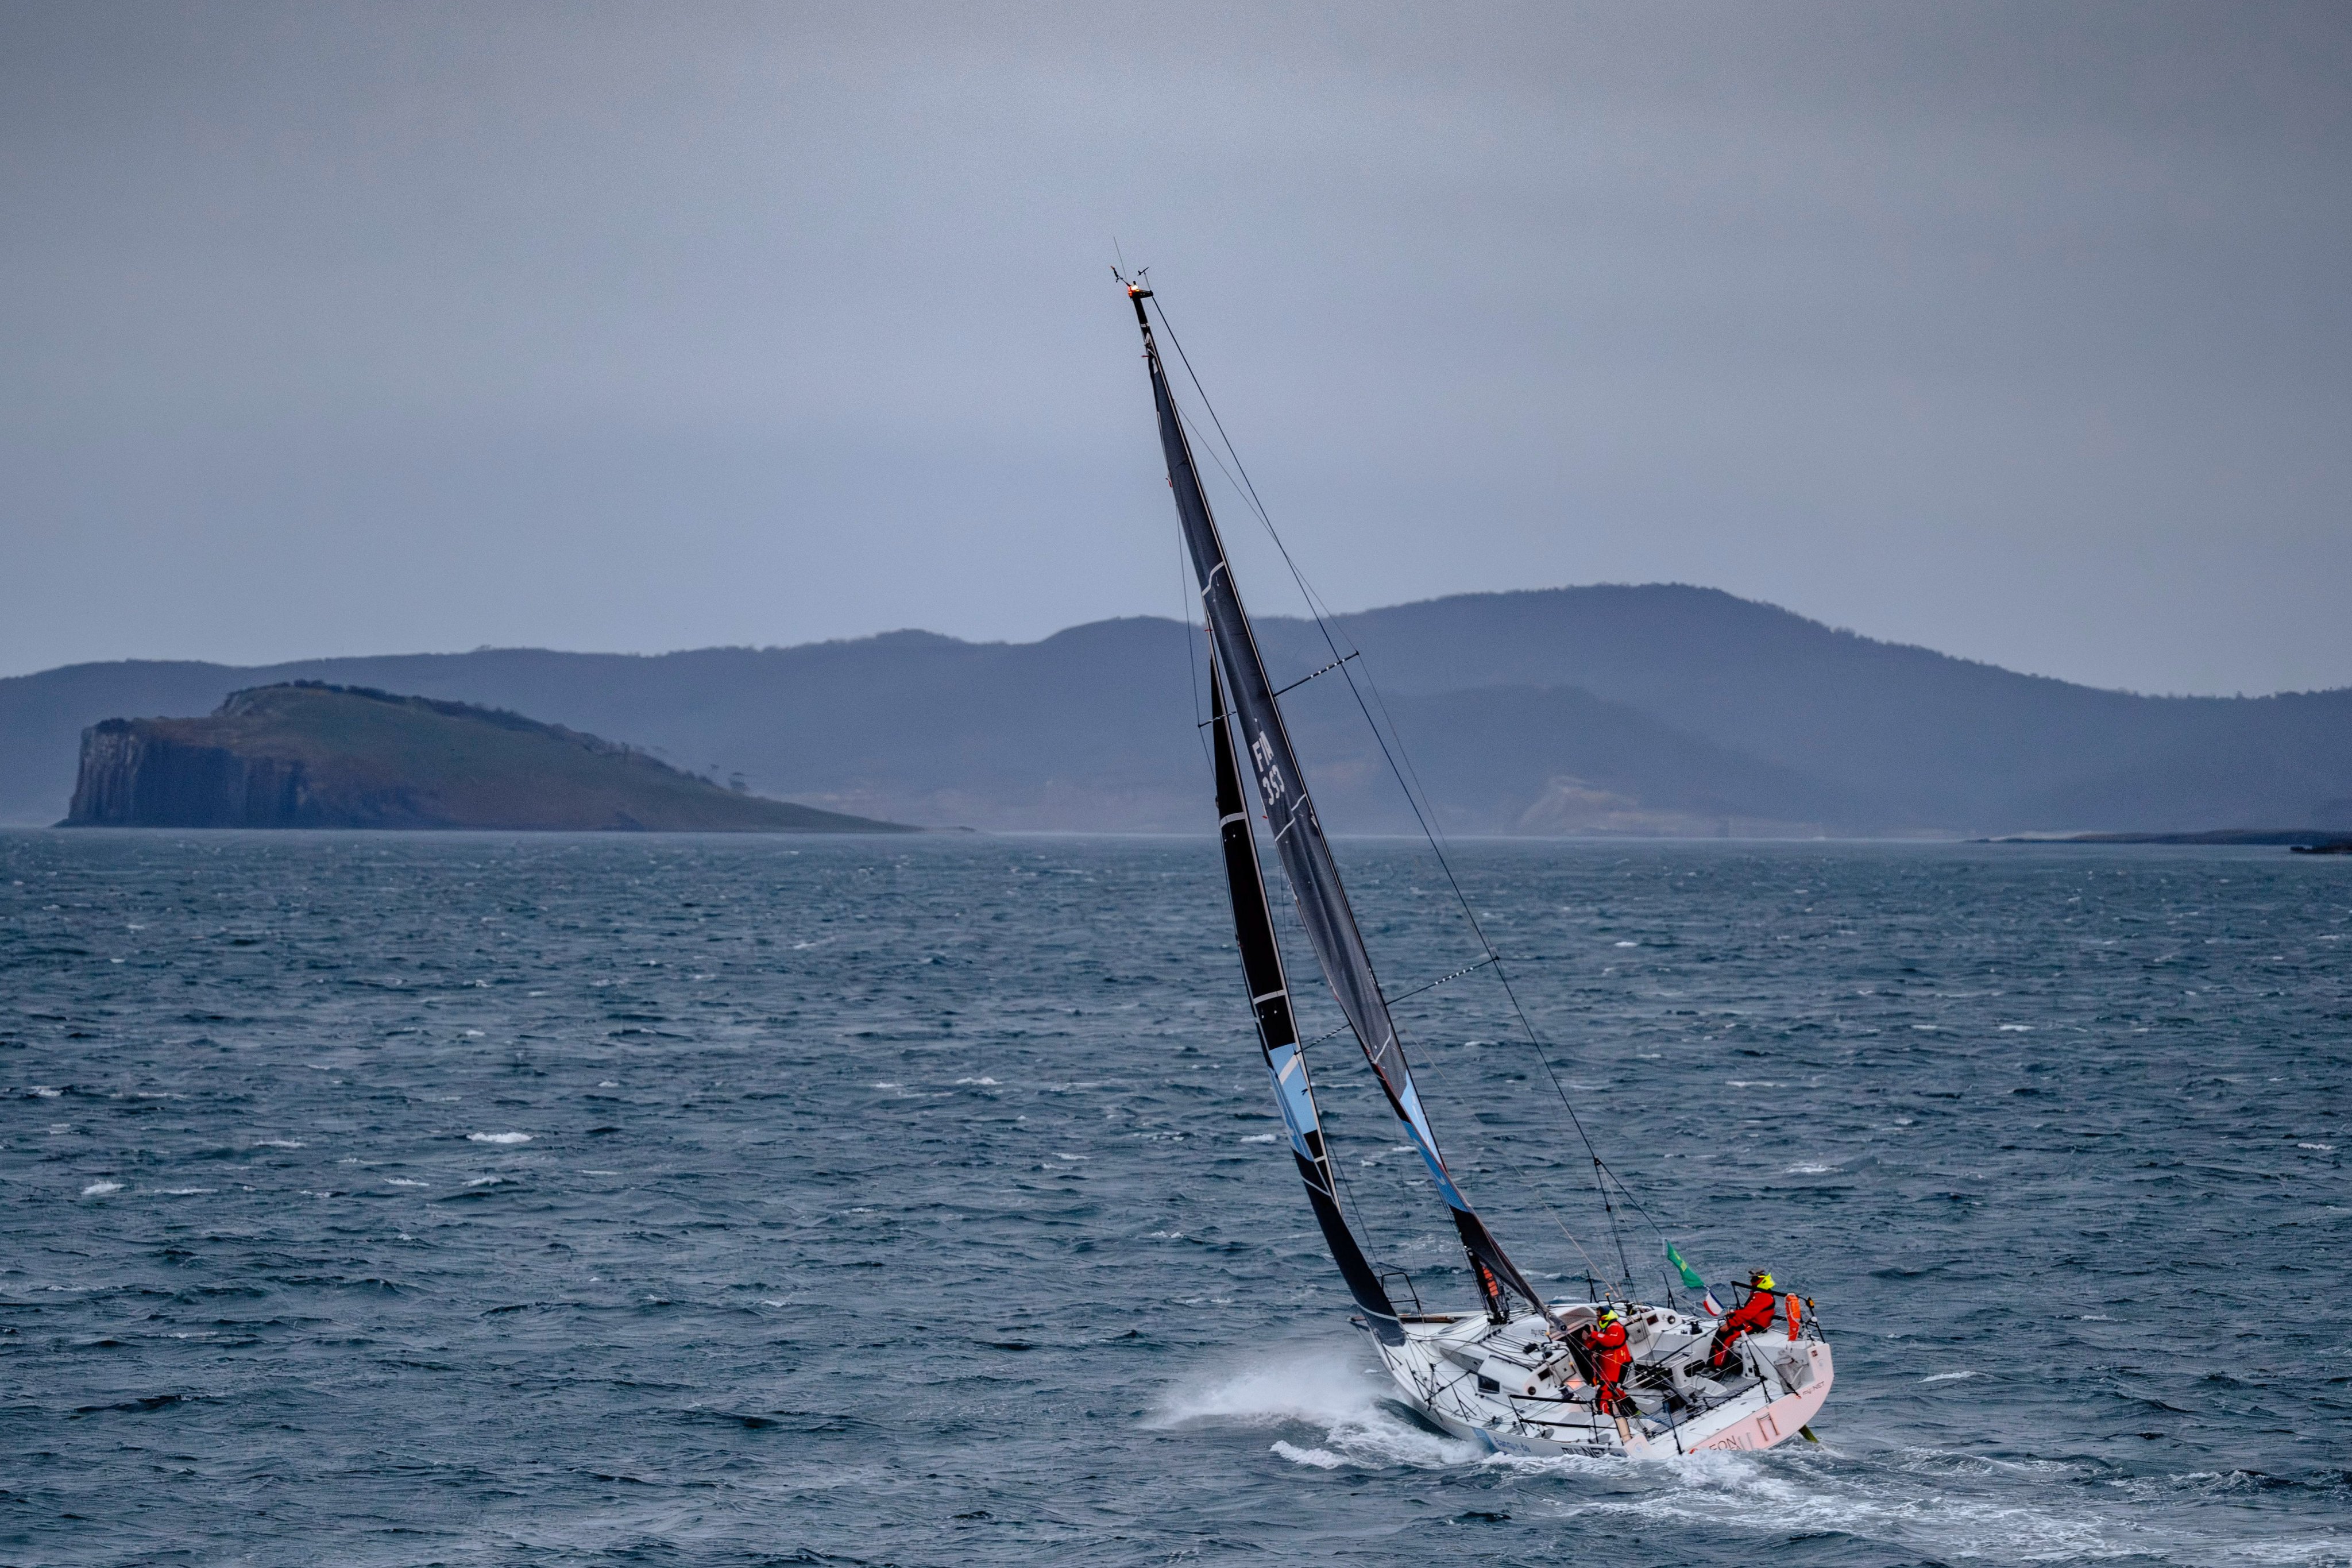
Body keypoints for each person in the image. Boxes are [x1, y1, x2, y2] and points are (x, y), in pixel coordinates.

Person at [1707, 1269, 1780, 1372]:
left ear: (1757, 1280)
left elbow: (1748, 1314)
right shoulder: (1759, 1292)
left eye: (1752, 1278)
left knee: (1728, 1337)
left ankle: (1719, 1368)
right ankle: (1711, 1364)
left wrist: (1730, 1324)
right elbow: (1748, 1311)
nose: (1750, 1281)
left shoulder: (1763, 1296)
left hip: (1757, 1326)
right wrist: (1733, 1314)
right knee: (1720, 1333)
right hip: (1751, 1321)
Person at [1580, 1306, 1634, 1416]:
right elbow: (1594, 1346)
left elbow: (1611, 1341)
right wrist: (1587, 1339)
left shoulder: (1616, 1327)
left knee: (1603, 1395)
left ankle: (1610, 1420)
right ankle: (1633, 1410)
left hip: (1617, 1364)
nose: (1598, 1318)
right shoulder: (1605, 1330)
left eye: (1599, 1315)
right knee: (1615, 1391)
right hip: (1607, 1368)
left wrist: (1594, 1334)